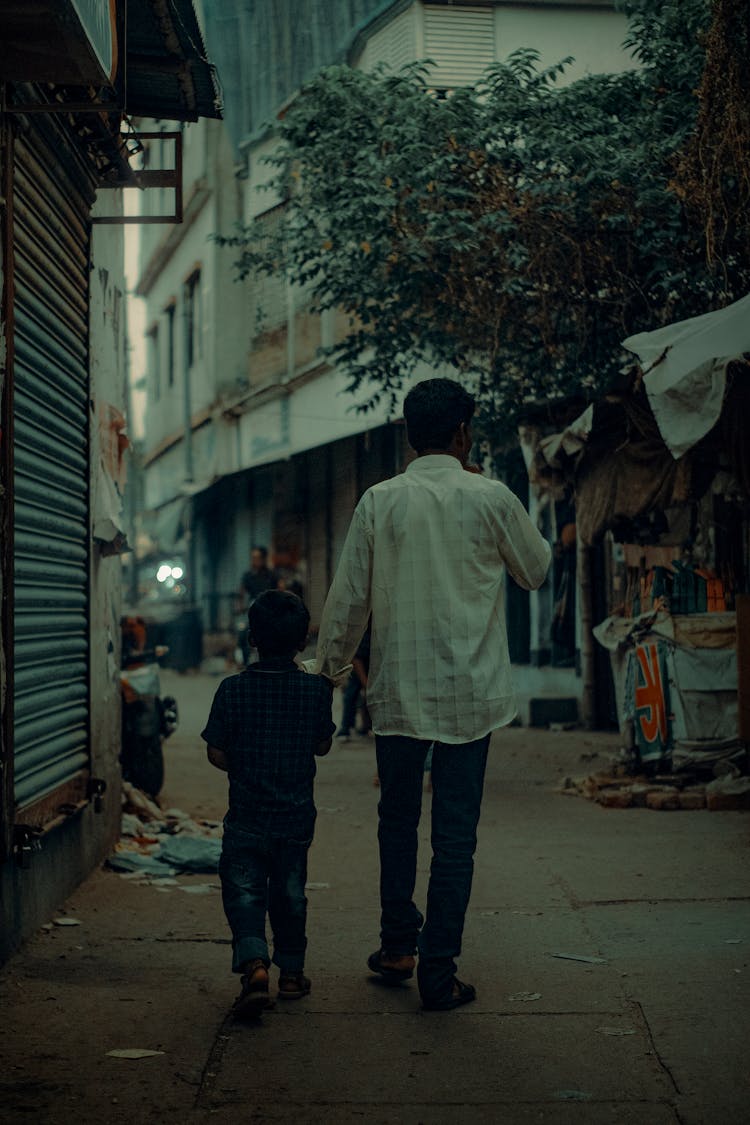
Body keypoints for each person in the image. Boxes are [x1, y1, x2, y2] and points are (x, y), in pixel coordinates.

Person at [315, 377, 551, 1011]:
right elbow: (535, 570)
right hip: (474, 696)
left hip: (399, 692)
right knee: (456, 837)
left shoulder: (379, 501)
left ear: (408, 436)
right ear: (463, 434)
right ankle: (439, 973)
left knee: (397, 822)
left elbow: (348, 603)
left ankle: (397, 945)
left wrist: (327, 669)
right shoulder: (492, 496)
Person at [202, 589, 335, 1018]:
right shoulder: (316, 691)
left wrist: (246, 767)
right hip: (295, 819)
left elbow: (216, 752)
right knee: (290, 895)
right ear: (302, 643)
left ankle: (255, 964)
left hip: (245, 818)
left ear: (252, 639)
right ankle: (292, 974)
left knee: (243, 892)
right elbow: (322, 745)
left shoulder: (231, 690)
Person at [236, 546, 279, 664]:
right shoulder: (248, 575)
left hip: (269, 608)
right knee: (244, 632)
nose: (255, 560)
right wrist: (239, 606)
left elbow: (281, 590)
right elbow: (241, 592)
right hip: (253, 607)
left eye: (258, 558)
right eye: (253, 558)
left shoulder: (271, 575)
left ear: (263, 559)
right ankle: (245, 662)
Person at [336, 625, 372, 740]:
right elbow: (356, 659)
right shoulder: (363, 635)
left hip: (373, 667)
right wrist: (366, 684)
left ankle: (368, 726)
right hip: (359, 667)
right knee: (351, 694)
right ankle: (345, 727)